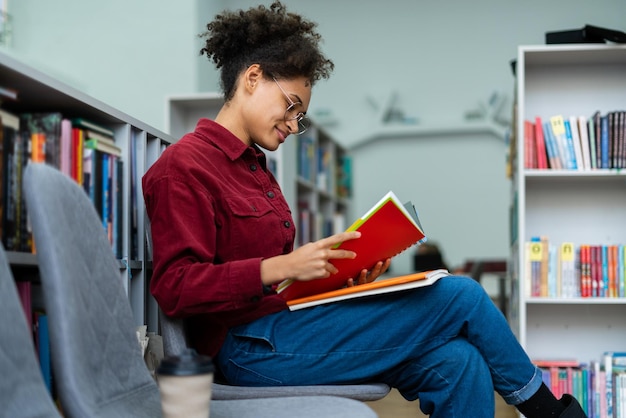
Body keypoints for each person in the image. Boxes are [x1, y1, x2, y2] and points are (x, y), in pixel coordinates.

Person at [142, 2, 587, 417]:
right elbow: (175, 285)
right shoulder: (184, 166)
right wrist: (281, 266)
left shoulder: (258, 169)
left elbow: (274, 279)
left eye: (301, 116)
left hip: (286, 327)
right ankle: (551, 412)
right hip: (250, 349)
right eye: (291, 107)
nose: (294, 125)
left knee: (459, 362)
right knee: (462, 294)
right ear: (253, 78)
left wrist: (338, 278)